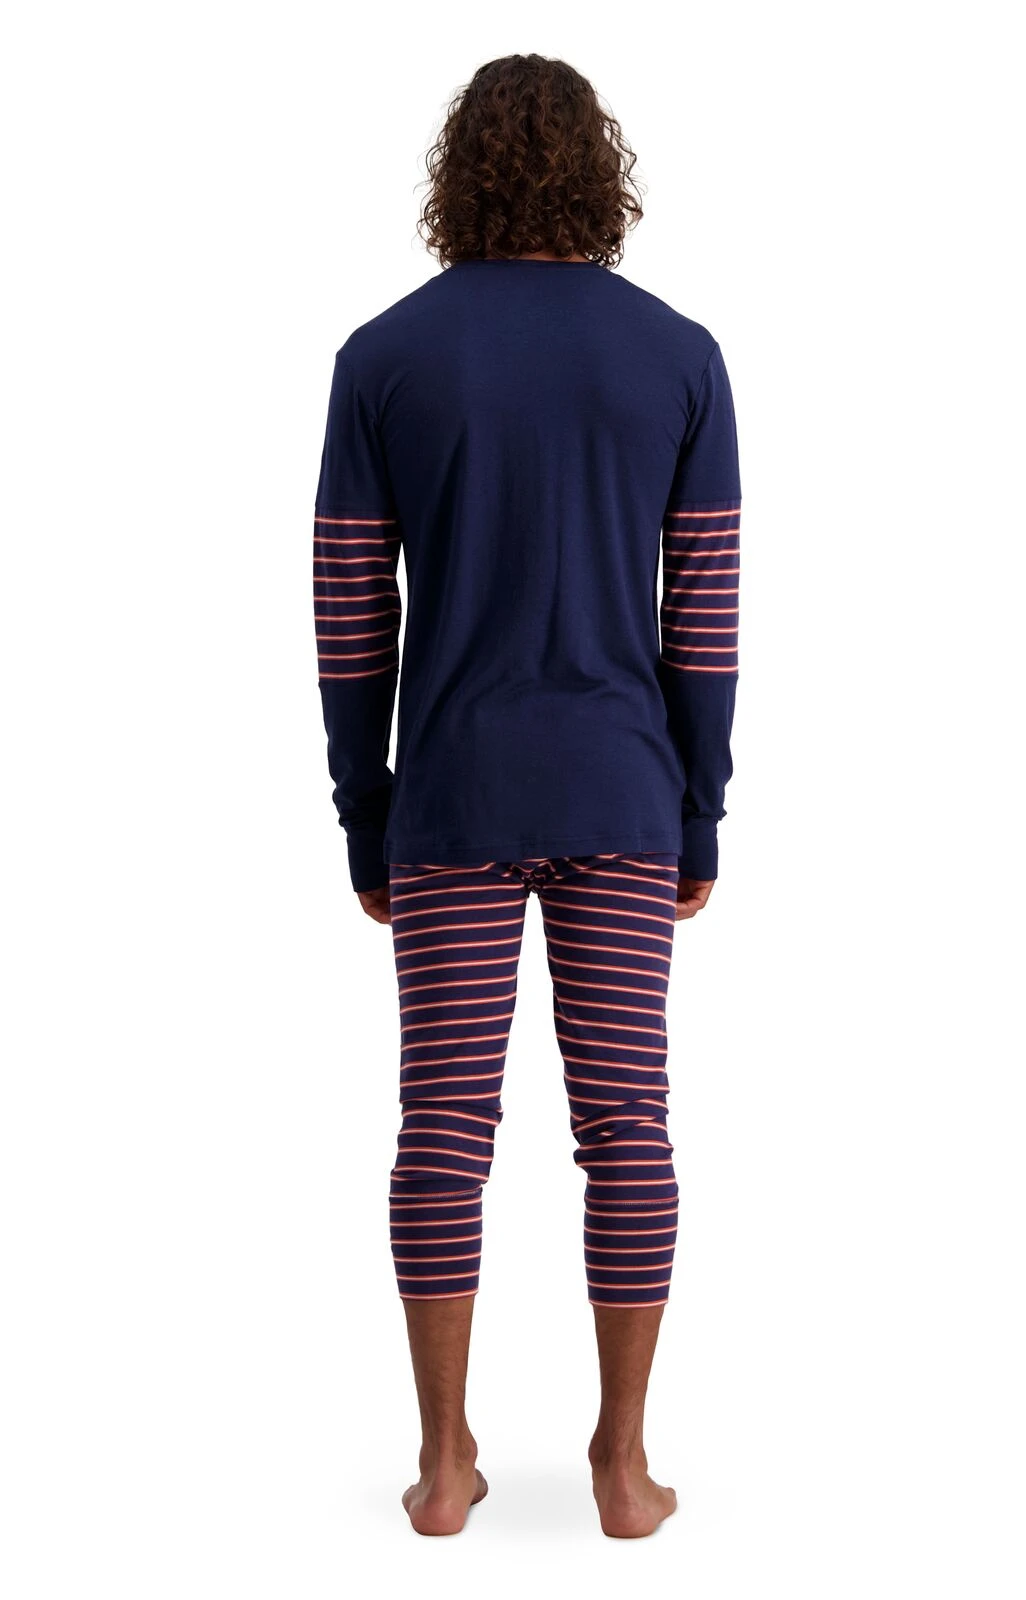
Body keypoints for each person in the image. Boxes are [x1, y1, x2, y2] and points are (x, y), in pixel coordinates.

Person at [312, 53, 742, 1538]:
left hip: (453, 795)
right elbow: (704, 608)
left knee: (443, 1123)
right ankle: (622, 1466)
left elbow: (349, 606)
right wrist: (700, 806)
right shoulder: (676, 355)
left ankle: (444, 1467)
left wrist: (363, 808)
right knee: (626, 1121)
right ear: (597, 173)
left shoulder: (386, 356)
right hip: (622, 792)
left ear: (461, 177)